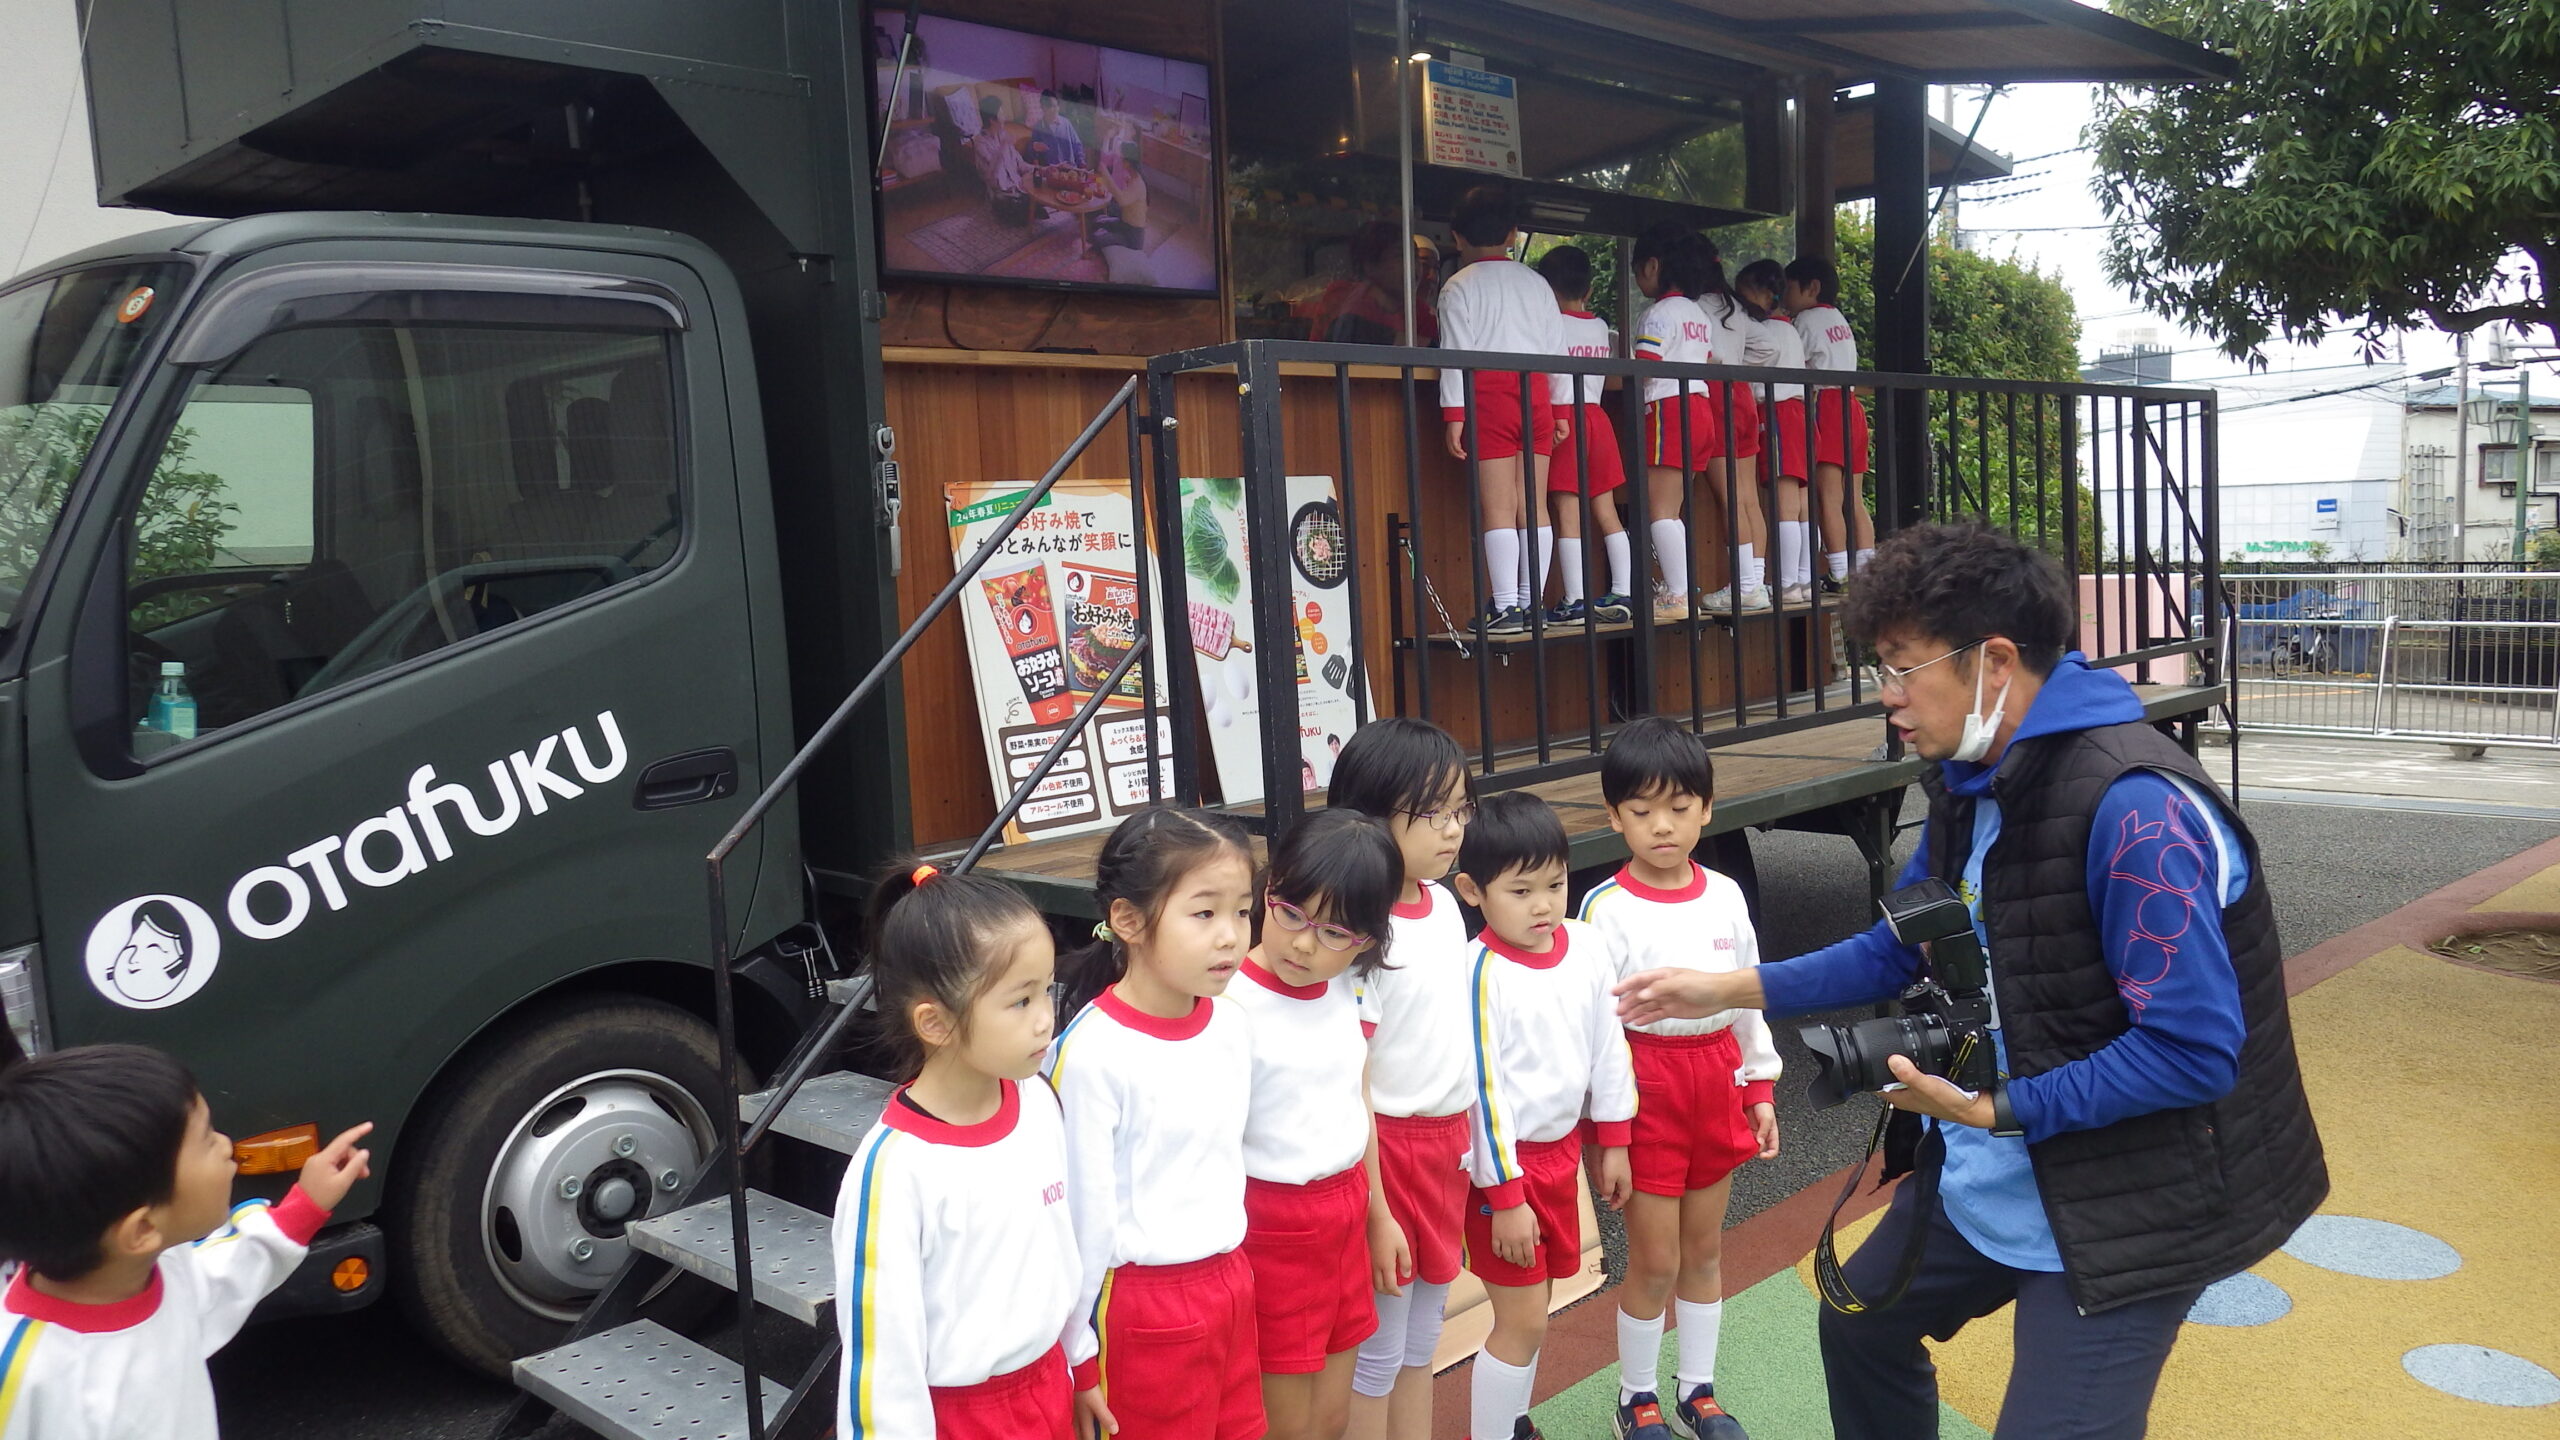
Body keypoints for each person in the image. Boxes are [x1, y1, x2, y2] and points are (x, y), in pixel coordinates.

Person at [1616, 523, 2327, 1440]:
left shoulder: (2139, 810)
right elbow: (1901, 947)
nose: (1887, 695)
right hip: (2003, 1157)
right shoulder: (1971, 775)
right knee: (1861, 1324)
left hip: (2135, 1192)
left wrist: (1990, 1108)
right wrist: (1729, 989)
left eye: (1902, 668)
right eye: (1879, 668)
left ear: (1994, 662)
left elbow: (2191, 1054)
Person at [0, 1045, 373, 1440]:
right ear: (142, 1230)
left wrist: (305, 1205)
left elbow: (224, 1275)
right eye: (207, 1141)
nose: (226, 1144)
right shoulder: (26, 1375)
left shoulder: (158, 1270)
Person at [1577, 718, 1776, 1440]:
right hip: (1644, 1087)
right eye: (1641, 810)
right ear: (1614, 817)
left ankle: (1698, 1390)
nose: (1662, 825)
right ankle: (1635, 1397)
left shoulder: (1725, 894)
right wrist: (1609, 1133)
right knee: (1655, 1260)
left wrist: (1759, 1087)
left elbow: (1748, 992)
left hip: (1716, 1075)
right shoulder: (1603, 909)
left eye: (1680, 807)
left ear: (1708, 808)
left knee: (1705, 1249)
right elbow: (1597, 1031)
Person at [832, 862, 1081, 1440]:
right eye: (1020, 1001)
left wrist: (1078, 1361)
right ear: (935, 1023)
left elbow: (1059, 1254)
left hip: (1050, 1386)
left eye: (1047, 990)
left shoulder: (1037, 1101)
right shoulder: (895, 1169)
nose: (1046, 1019)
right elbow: (882, 1367)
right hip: (961, 1418)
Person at [1050, 807, 1265, 1440]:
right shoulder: (1092, 1053)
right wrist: (1078, 1355)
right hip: (1141, 1305)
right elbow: (1082, 1221)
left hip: (1231, 1280)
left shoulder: (1231, 1023)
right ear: (1129, 920)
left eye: (1242, 911)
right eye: (1204, 913)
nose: (1230, 936)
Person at [1455, 793, 1637, 1440]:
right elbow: (1481, 1092)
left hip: (1562, 1156)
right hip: (1503, 1170)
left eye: (1555, 884)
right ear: (1472, 891)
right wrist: (1505, 1197)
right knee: (1523, 1318)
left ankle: (1511, 1424)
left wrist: (1614, 1139)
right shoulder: (1478, 972)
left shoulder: (1585, 945)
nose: (1543, 905)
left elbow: (1609, 1045)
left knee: (1540, 1306)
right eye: (1520, 890)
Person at [1229, 810, 1406, 1440]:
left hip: (1345, 1213)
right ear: (1268, 891)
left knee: (1331, 1419)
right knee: (1285, 1422)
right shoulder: (1228, 1001)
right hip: (1269, 1223)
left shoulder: (1346, 988)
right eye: (1290, 913)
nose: (1304, 944)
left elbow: (1358, 1100)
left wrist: (1379, 1216)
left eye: (1333, 931)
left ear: (1367, 940)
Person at [1330, 720, 1478, 1440]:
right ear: (1368, 816)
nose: (1452, 829)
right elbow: (1350, 1077)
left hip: (1446, 1148)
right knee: (1379, 1353)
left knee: (1422, 1342)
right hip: (1386, 1153)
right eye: (1431, 813)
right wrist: (1376, 1208)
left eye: (1460, 809)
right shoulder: (1360, 927)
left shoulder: (1444, 905)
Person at [1435, 186, 1564, 635]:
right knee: (1534, 503)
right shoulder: (1537, 283)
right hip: (1537, 393)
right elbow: (1557, 350)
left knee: (1499, 507)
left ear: (1457, 238)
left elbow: (1455, 357)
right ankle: (1532, 604)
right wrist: (1561, 409)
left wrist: (1454, 416)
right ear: (1513, 234)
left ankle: (1506, 606)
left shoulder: (1458, 286)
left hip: (1488, 395)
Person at [1629, 225, 1734, 621]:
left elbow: (1645, 366)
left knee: (1660, 510)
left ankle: (1677, 595)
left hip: (1668, 409)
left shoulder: (1657, 314)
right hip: (1701, 409)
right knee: (1672, 509)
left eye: (1637, 270)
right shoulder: (1697, 313)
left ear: (1652, 266)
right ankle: (1680, 590)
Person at [1536, 245, 1634, 625]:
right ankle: (1623, 591)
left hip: (1564, 418)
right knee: (1606, 510)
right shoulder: (1599, 327)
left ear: (1546, 289)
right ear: (1589, 290)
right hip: (1597, 416)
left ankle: (1575, 600)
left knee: (1567, 510)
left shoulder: (1551, 324)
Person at [1781, 256, 1874, 586]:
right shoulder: (1838, 319)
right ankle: (1867, 573)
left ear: (1812, 288)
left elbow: (1793, 362)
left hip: (1826, 404)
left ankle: (1839, 572)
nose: (1784, 296)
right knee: (1854, 499)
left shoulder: (1805, 320)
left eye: (1789, 288)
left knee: (1828, 498)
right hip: (1852, 405)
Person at [1690, 241, 1770, 614]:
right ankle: (1755, 583)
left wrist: (1715, 363)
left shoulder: (1692, 307)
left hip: (1714, 397)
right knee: (1748, 496)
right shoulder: (1735, 306)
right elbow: (1767, 348)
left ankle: (1744, 586)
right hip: (1742, 396)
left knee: (1730, 498)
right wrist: (1737, 365)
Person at [1733, 259, 1816, 607]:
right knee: (1800, 503)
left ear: (1761, 293)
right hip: (1799, 413)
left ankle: (1785, 583)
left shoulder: (1765, 330)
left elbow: (1754, 382)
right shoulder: (1791, 329)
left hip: (1777, 411)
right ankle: (1804, 579)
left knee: (1785, 504)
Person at [1030, 91, 1088, 168]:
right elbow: (1034, 154)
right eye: (1051, 106)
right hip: (1051, 171)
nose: (1055, 109)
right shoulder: (1038, 128)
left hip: (1070, 169)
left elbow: (1077, 145)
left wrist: (1081, 163)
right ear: (1043, 107)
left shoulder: (1066, 123)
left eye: (1056, 106)